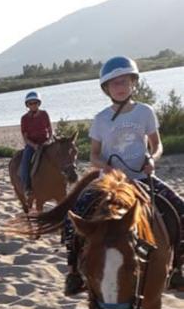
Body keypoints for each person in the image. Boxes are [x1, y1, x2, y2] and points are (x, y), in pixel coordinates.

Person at [65, 56, 184, 294]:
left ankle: (178, 268)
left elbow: (157, 145)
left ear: (133, 83)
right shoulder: (100, 119)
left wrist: (152, 158)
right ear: (106, 89)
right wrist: (105, 167)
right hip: (111, 183)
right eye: (114, 84)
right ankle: (74, 272)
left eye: (124, 82)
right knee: (74, 217)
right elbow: (94, 156)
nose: (120, 87)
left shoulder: (145, 112)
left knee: (180, 209)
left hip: (141, 178)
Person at [19, 90, 53, 192]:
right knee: (25, 161)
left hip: (45, 142)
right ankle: (27, 186)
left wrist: (49, 140)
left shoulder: (44, 114)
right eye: (30, 103)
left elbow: (50, 130)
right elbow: (25, 137)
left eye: (35, 103)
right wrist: (33, 146)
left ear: (39, 103)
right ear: (27, 105)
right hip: (32, 144)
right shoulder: (24, 118)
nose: (33, 105)